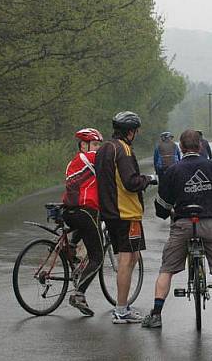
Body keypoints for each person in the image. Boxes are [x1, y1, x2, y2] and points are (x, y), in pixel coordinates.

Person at [142, 129, 212, 329]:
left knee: (166, 269)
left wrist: (169, 211)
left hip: (183, 224)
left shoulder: (173, 171)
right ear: (200, 146)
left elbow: (161, 207)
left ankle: (156, 315)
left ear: (182, 148)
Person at [95, 111, 156, 323]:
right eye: (136, 131)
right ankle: (121, 310)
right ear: (130, 131)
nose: (136, 134)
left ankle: (122, 306)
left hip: (110, 211)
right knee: (127, 259)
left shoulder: (104, 148)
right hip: (126, 212)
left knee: (133, 255)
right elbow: (131, 182)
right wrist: (148, 179)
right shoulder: (124, 150)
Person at [62, 128, 104, 316]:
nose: (97, 148)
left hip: (69, 211)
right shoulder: (91, 158)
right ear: (83, 145)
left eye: (98, 145)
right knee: (98, 257)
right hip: (86, 211)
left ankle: (70, 247)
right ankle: (79, 294)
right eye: (94, 144)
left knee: (84, 231)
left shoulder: (74, 161)